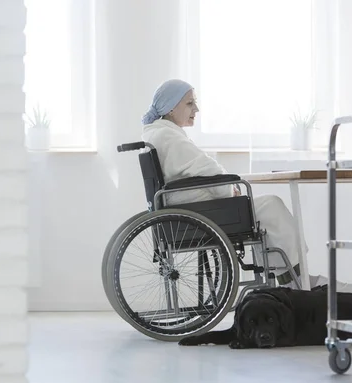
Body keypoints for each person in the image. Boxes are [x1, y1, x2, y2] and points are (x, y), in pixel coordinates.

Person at [141, 79, 330, 289]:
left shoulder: (158, 134)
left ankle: (289, 278)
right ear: (170, 107)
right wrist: (232, 189)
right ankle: (297, 279)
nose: (196, 109)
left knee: (264, 215)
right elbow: (206, 170)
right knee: (271, 205)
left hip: (186, 209)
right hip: (198, 213)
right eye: (189, 103)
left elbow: (199, 169)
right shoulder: (169, 136)